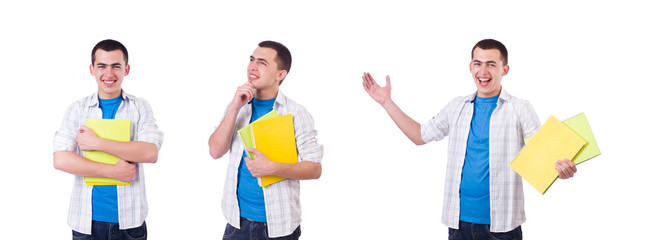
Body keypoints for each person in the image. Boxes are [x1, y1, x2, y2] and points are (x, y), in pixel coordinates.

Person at [361, 39, 577, 240]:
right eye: (478, 63)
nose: (483, 71)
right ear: (470, 67)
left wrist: (559, 169)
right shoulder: (457, 107)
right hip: (458, 225)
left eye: (491, 64)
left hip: (501, 228)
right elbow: (419, 135)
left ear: (505, 70)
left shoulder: (520, 108)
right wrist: (386, 102)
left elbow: (539, 155)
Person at [209, 40, 323, 240]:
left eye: (262, 63)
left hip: (278, 228)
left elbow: (315, 168)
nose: (253, 66)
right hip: (237, 223)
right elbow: (215, 151)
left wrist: (272, 168)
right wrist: (234, 108)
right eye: (252, 60)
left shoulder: (296, 113)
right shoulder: (238, 106)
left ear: (281, 75)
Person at [53, 39, 163, 240]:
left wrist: (96, 143)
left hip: (130, 223)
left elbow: (150, 152)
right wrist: (112, 171)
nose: (109, 74)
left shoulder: (139, 107)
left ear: (126, 69)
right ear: (92, 69)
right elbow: (60, 159)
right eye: (102, 66)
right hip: (85, 222)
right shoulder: (77, 109)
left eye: (116, 66)